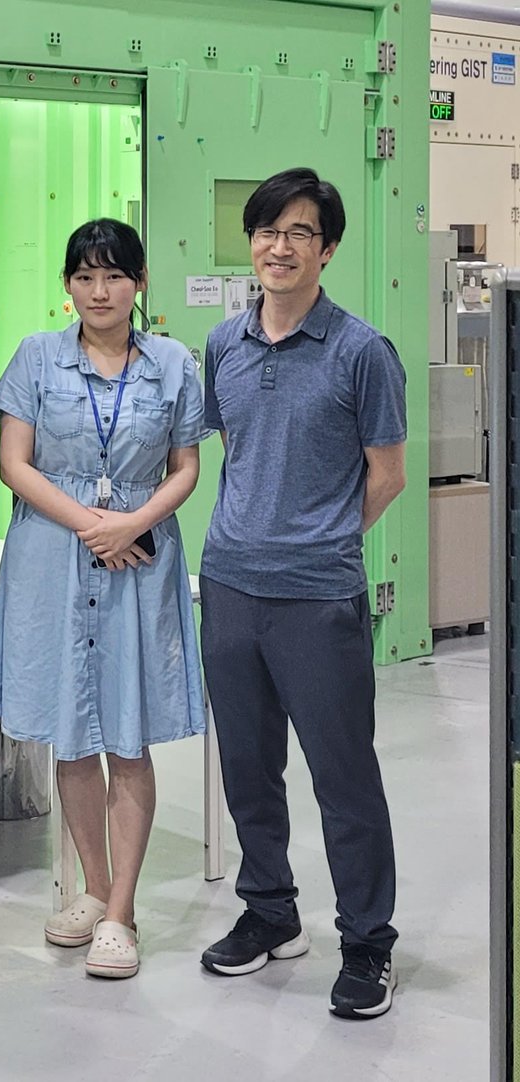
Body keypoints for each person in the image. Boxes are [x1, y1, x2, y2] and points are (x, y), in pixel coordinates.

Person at [198, 168, 407, 1019]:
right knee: (248, 771)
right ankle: (270, 912)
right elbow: (223, 451)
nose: (279, 247)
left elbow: (386, 477)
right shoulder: (224, 344)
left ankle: (367, 944)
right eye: (267, 231)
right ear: (251, 243)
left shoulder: (362, 351)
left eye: (299, 232)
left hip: (318, 598)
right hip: (229, 588)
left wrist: (320, 540)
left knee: (343, 776)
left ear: (327, 248)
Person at [0, 219, 209, 979]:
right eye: (84, 276)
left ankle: (122, 913)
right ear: (67, 285)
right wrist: (93, 527)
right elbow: (15, 463)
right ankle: (95, 891)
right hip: (54, 554)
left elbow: (185, 466)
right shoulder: (36, 358)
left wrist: (134, 522)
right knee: (72, 735)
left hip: (139, 560)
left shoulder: (173, 365)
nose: (99, 291)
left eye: (114, 276)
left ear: (140, 282)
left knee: (126, 735)